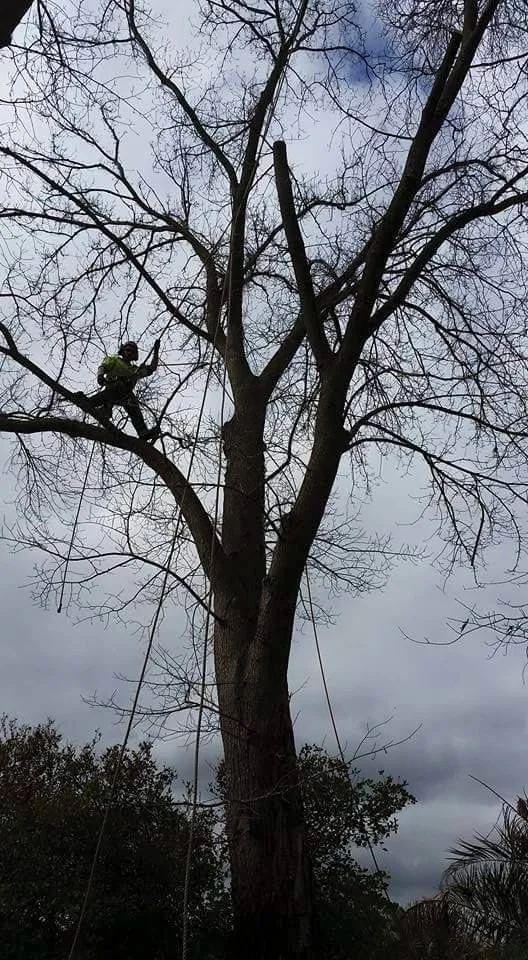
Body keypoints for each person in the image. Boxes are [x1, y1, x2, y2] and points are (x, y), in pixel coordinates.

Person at [90, 339, 161, 440]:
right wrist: (100, 376)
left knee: (133, 405)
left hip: (125, 395)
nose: (129, 353)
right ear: (123, 351)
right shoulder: (114, 360)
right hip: (112, 389)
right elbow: (103, 366)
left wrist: (156, 351)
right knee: (118, 385)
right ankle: (96, 404)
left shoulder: (134, 370)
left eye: (132, 352)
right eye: (128, 350)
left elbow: (152, 368)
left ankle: (142, 431)